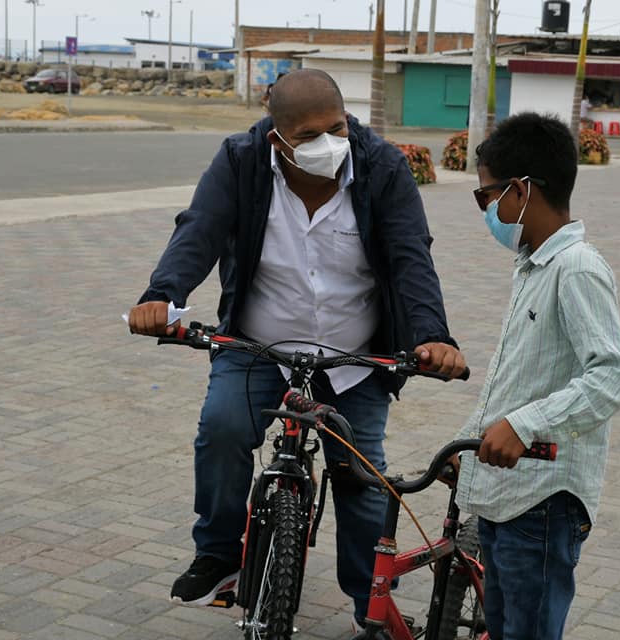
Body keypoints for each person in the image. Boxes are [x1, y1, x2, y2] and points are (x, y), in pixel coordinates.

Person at [127, 68, 466, 627]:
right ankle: (217, 553)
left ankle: (369, 606)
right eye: (309, 136)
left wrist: (433, 336)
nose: (329, 144)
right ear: (276, 137)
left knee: (361, 479)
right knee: (223, 429)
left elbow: (411, 256)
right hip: (259, 342)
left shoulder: (381, 166)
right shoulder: (240, 162)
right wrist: (162, 298)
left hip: (354, 355)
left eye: (337, 127)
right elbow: (200, 230)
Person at [454, 112, 620, 640]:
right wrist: (471, 447)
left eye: (486, 196)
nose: (486, 209)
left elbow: (614, 375)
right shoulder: (535, 264)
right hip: (510, 494)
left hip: (542, 503)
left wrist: (525, 426)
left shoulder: (576, 267)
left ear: (521, 191)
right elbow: (521, 379)